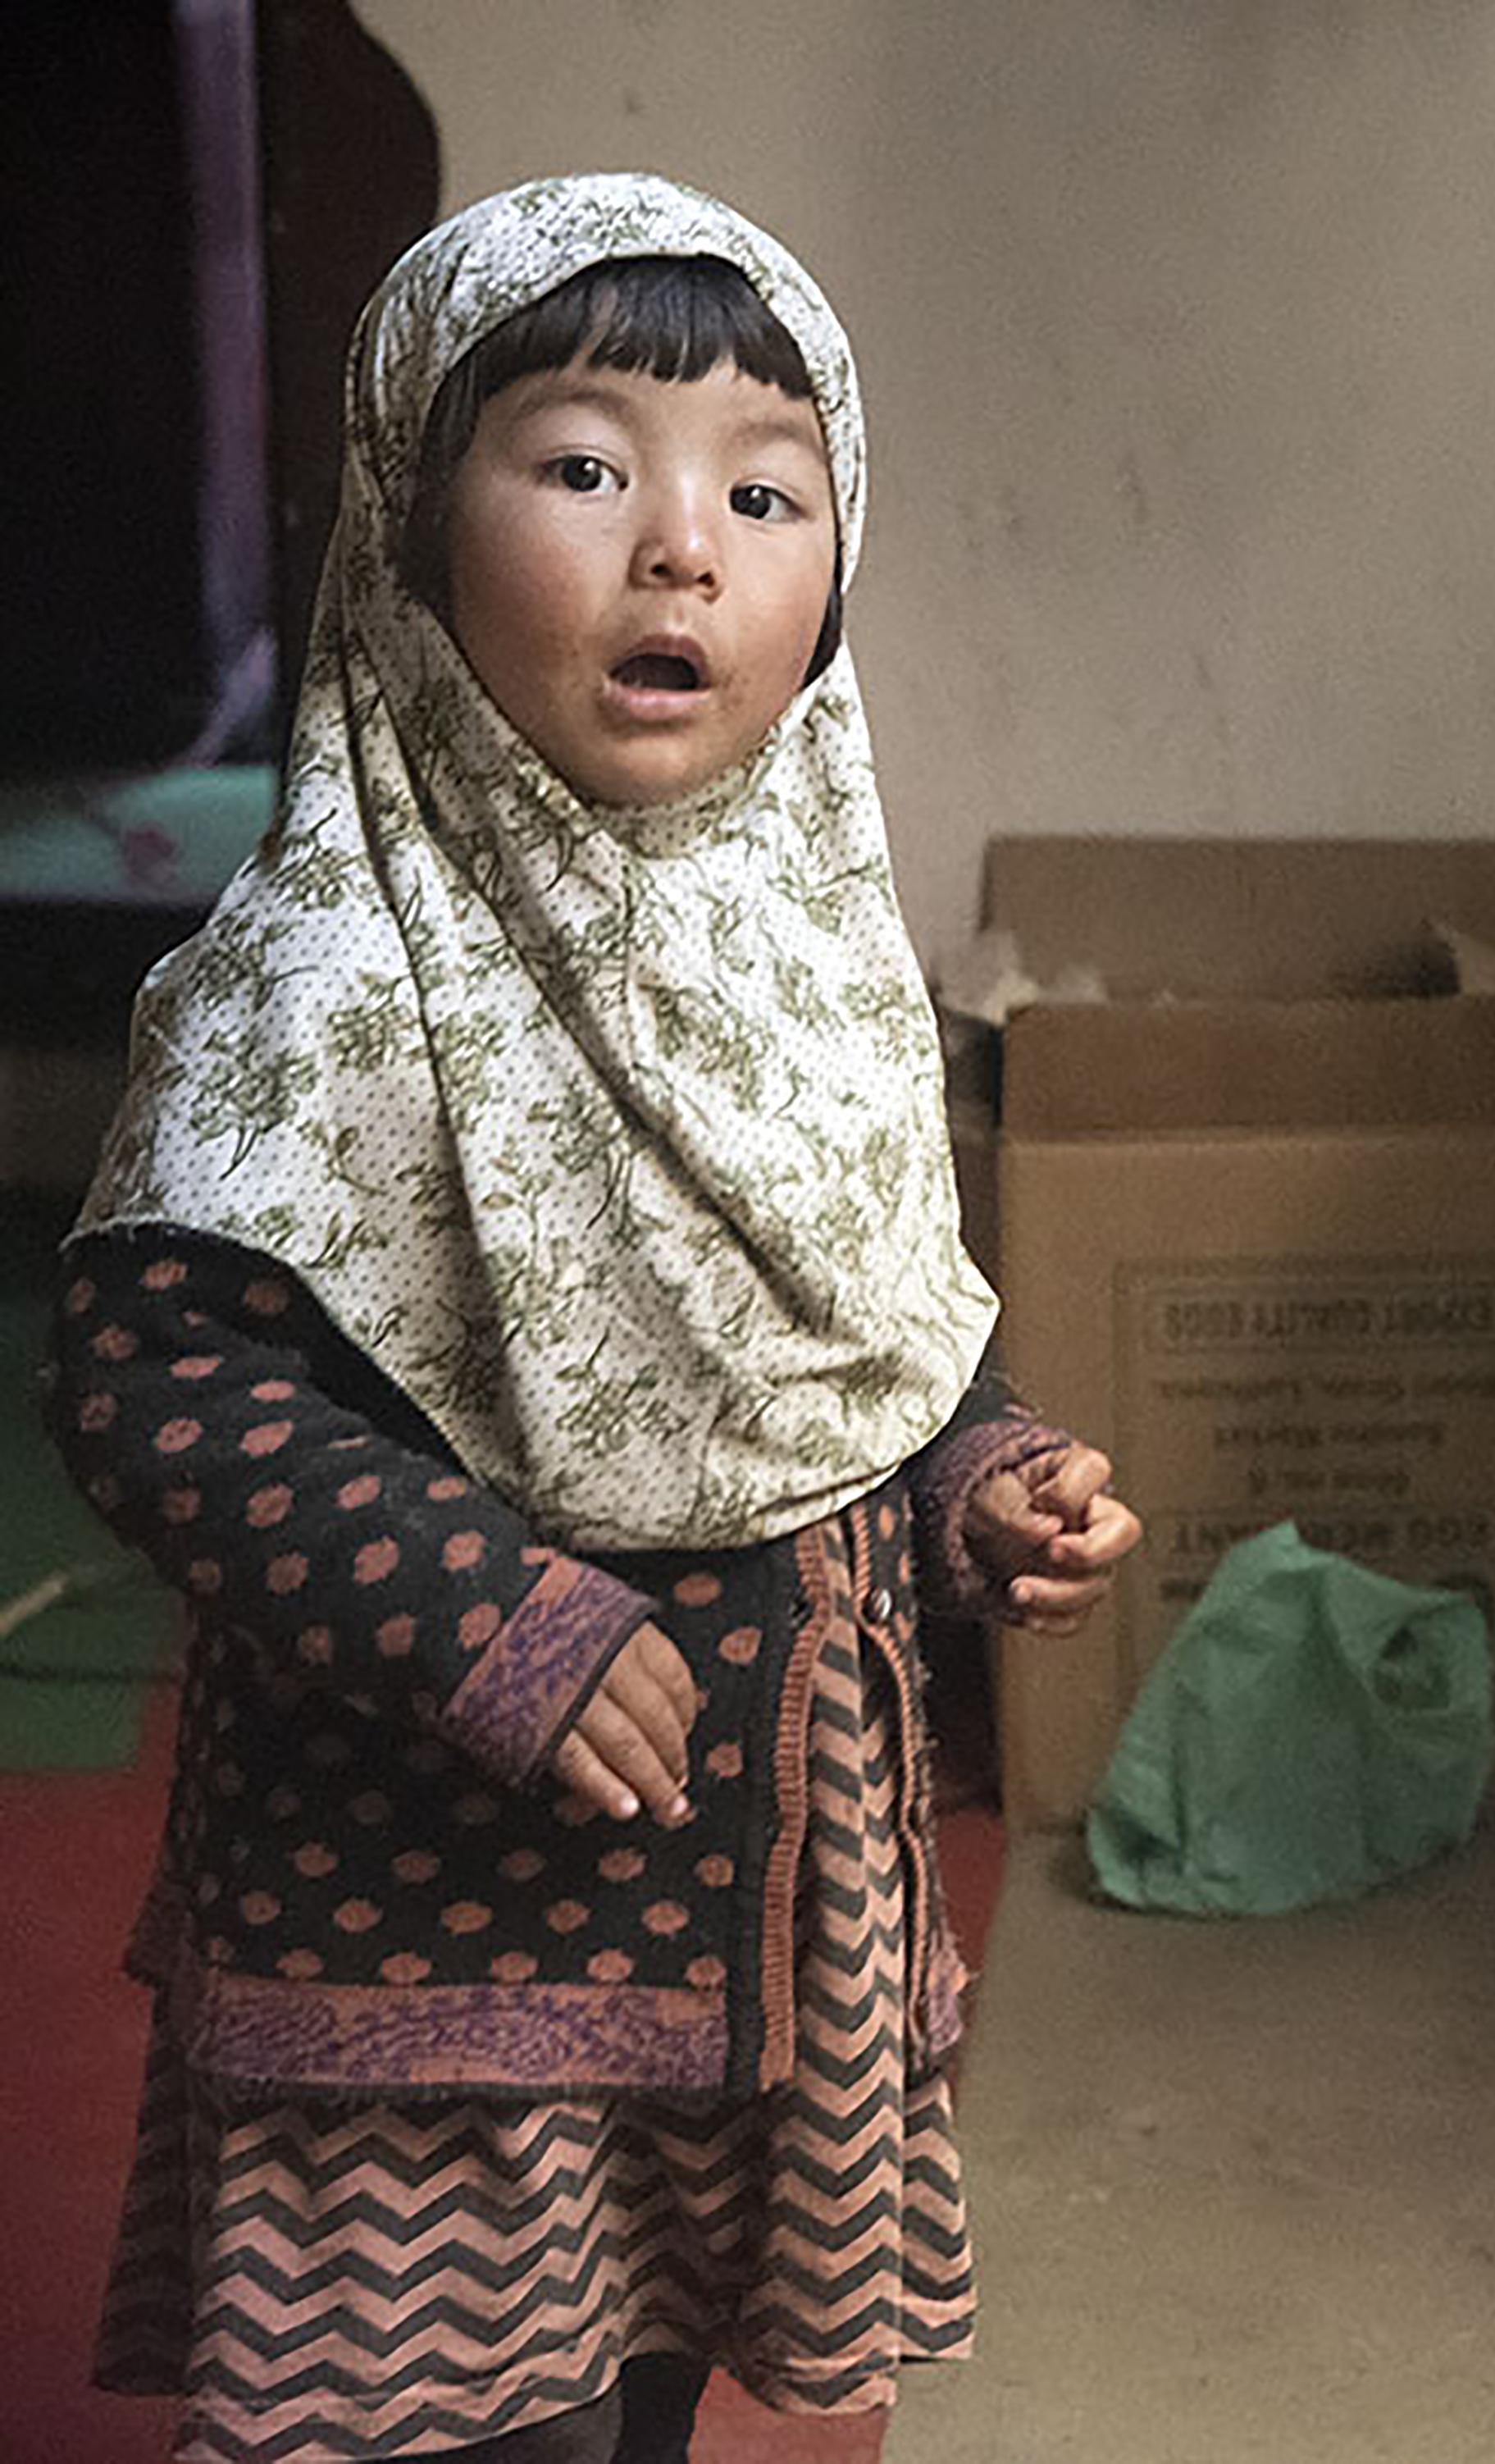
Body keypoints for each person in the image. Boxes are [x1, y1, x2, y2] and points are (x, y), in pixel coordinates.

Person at [51, 174, 1142, 2463]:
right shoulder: (327, 980)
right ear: (408, 526)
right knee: (462, 2424)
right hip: (430, 1935)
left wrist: (980, 1474)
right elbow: (150, 1382)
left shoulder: (818, 976)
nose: (685, 547)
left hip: (757, 1899)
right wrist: (488, 1619)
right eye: (581, 466)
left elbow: (849, 1339)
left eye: (767, 486)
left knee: (646, 2390)